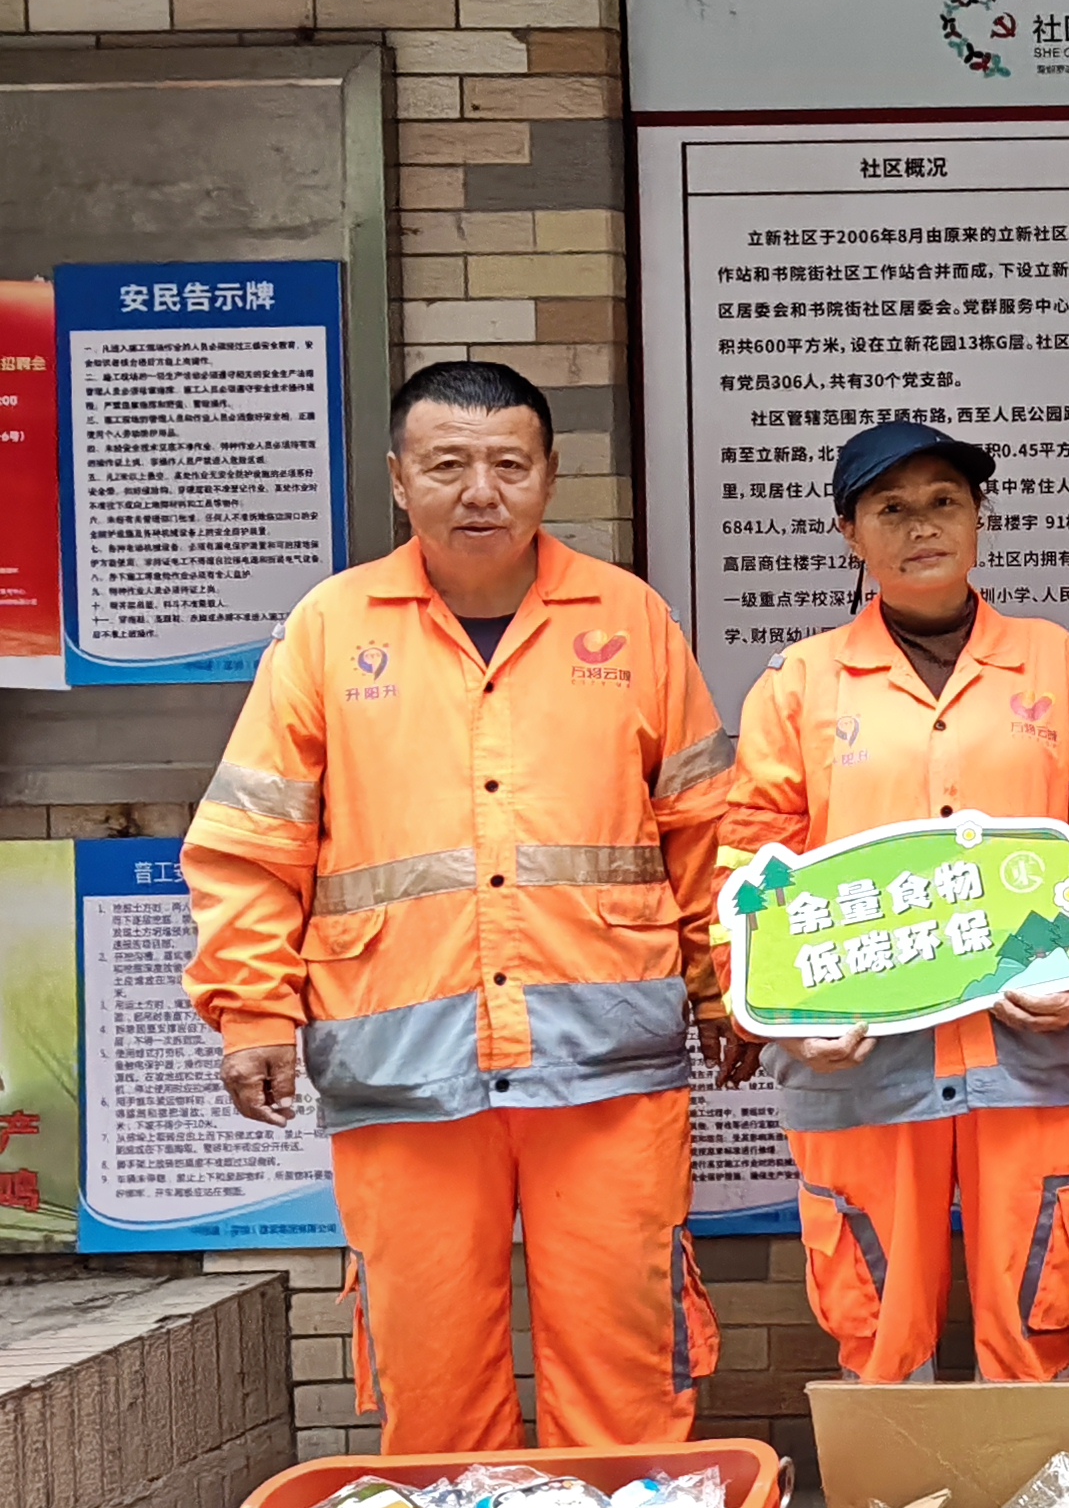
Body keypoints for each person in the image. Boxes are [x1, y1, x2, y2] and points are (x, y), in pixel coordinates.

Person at [183, 360, 738, 1452]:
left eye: (507, 465)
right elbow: (252, 841)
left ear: (549, 476)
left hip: (604, 1062)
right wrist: (252, 1011)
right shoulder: (331, 629)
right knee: (429, 1366)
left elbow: (705, 830)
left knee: (626, 1356)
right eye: (447, 466)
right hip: (403, 1066)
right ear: (400, 479)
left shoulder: (629, 619)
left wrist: (727, 988)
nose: (480, 491)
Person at [720, 419, 1069, 1385]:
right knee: (876, 1322)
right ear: (849, 534)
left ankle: (1034, 1490)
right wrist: (787, 1014)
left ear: (979, 517)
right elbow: (751, 864)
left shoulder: (1058, 666)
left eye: (945, 501)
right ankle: (889, 1486)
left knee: (1037, 1309)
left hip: (1028, 1047)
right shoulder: (801, 683)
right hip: (862, 1058)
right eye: (891, 509)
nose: (922, 527)